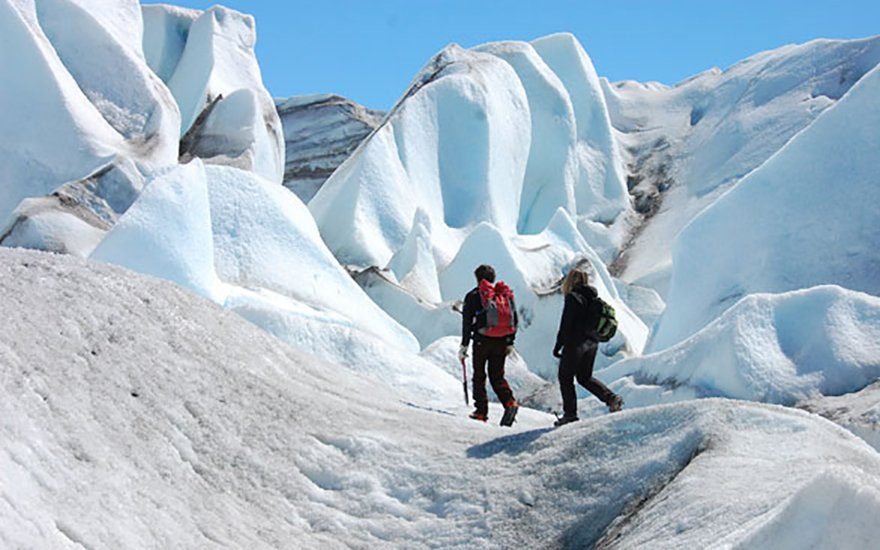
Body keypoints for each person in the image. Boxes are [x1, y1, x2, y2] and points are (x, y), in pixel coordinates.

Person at [552, 268, 623, 427]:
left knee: (565, 377)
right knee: (584, 377)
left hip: (575, 343)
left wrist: (558, 346)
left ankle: (570, 415)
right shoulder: (593, 298)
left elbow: (566, 325)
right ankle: (611, 398)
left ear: (569, 281)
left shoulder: (573, 297)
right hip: (592, 343)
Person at [459, 264, 519, 426]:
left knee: (479, 375)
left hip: (481, 341)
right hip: (501, 341)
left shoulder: (473, 296)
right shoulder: (504, 295)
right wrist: (509, 341)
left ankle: (481, 411)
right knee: (497, 375)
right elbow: (514, 318)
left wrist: (464, 345)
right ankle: (509, 402)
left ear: (478, 279)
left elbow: (466, 322)